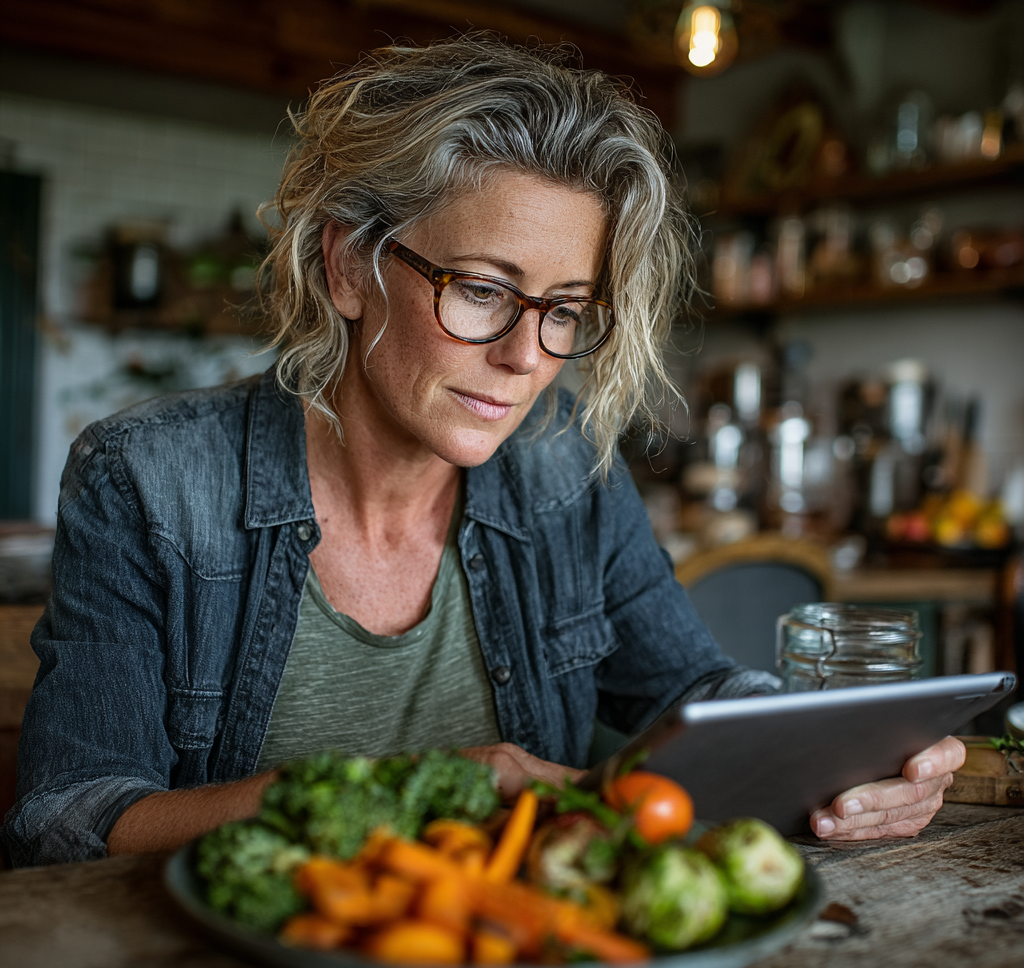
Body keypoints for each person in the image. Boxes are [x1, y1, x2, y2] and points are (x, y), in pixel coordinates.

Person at [3, 37, 963, 868]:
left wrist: (844, 753)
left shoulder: (565, 468)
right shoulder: (148, 480)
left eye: (562, 312)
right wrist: (418, 789)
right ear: (348, 265)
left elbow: (690, 693)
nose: (520, 358)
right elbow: (72, 820)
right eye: (479, 290)